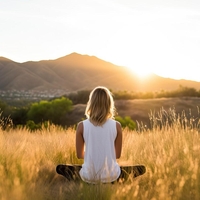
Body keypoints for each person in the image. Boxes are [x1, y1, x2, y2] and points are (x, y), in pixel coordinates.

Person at [76, 86, 122, 183]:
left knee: (82, 171)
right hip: (111, 175)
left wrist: (94, 155)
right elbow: (117, 155)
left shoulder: (81, 126)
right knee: (117, 169)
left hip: (89, 176)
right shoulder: (117, 126)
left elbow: (79, 155)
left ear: (91, 103)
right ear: (109, 104)